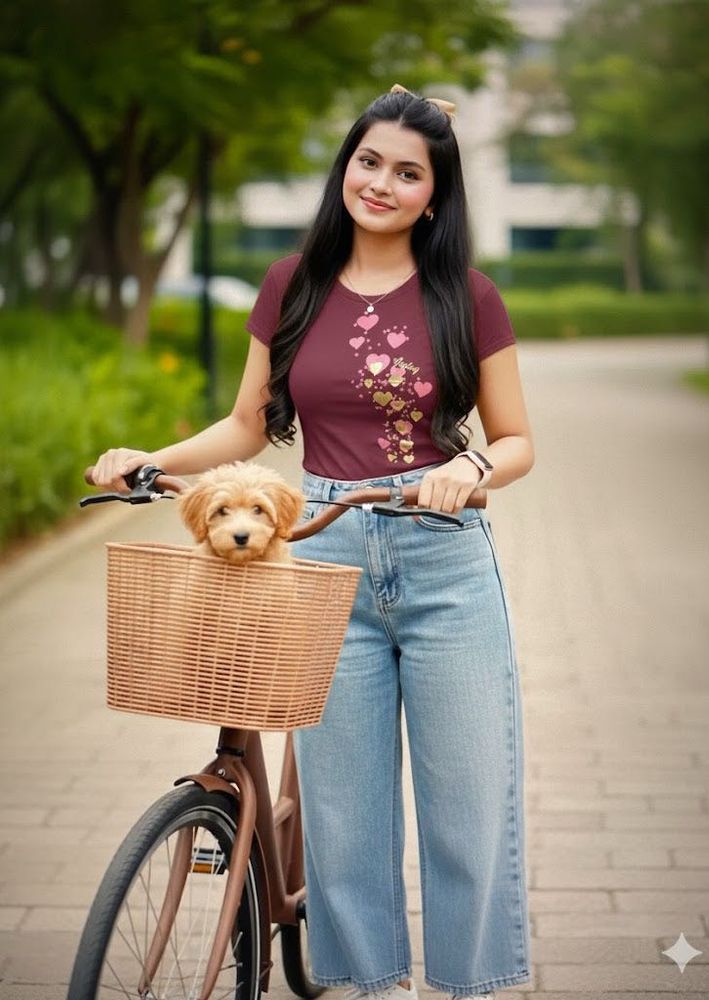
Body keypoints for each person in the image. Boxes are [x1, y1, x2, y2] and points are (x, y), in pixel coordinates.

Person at [90, 84, 534, 1000]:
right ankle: (371, 986)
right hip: (323, 555)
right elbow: (247, 424)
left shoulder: (467, 295)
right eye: (368, 162)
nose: (380, 184)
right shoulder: (291, 284)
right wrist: (149, 459)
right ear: (345, 167)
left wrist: (471, 468)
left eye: (407, 173)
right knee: (343, 811)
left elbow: (517, 439)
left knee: (466, 802)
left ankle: (471, 985)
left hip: (442, 553)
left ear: (434, 196)